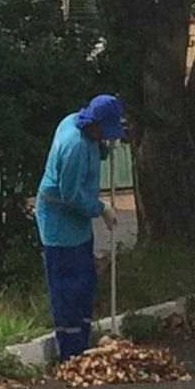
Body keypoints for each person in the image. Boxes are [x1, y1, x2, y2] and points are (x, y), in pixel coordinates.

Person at [36, 94, 125, 360]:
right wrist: (101, 209)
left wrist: (105, 148)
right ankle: (71, 351)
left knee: (85, 280)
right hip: (60, 221)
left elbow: (93, 151)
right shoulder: (73, 144)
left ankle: (82, 342)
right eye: (104, 132)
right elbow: (70, 193)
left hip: (77, 220)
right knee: (68, 287)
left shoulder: (78, 125)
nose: (105, 136)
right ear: (94, 124)